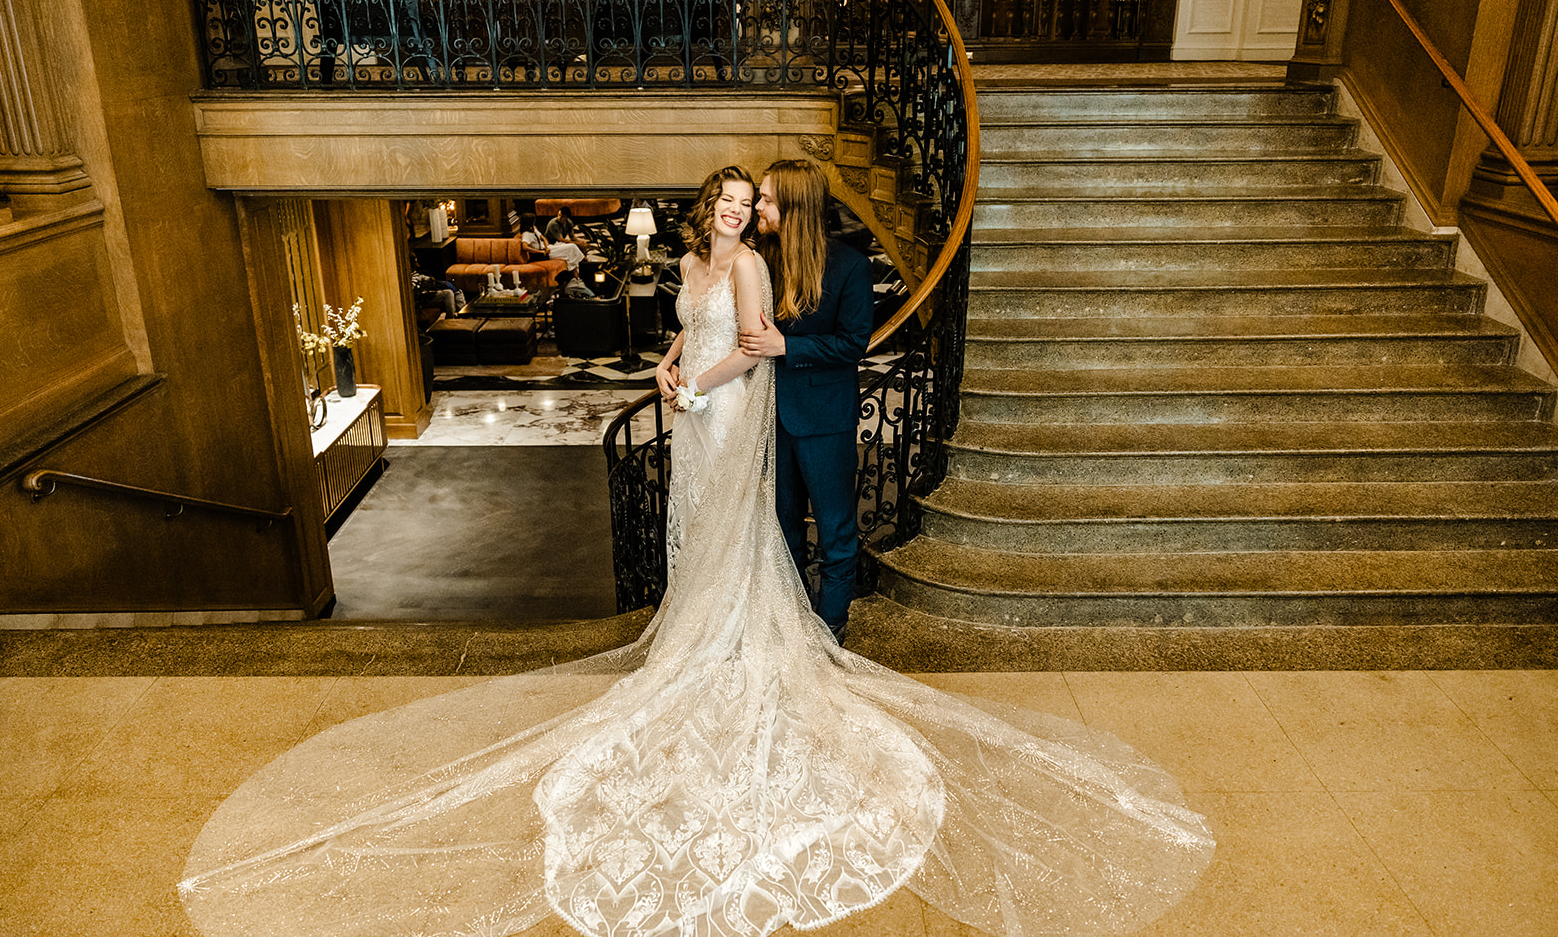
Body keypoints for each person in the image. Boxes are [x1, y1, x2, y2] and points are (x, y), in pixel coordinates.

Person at [176, 167, 1213, 937]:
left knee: (779, 530)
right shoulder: (693, 260)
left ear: (770, 215)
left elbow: (772, 336)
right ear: (706, 210)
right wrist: (670, 371)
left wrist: (721, 374)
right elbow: (693, 324)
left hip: (749, 407)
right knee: (719, 523)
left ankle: (798, 637)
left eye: (752, 203)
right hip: (702, 409)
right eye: (730, 202)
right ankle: (715, 624)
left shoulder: (773, 264)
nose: (741, 213)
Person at [740, 159, 871, 644]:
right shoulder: (757, 260)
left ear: (794, 205)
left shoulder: (851, 265)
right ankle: (791, 625)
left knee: (835, 530)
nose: (757, 206)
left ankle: (830, 630)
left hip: (823, 420)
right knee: (781, 527)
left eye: (767, 198)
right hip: (766, 416)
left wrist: (788, 347)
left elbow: (854, 344)